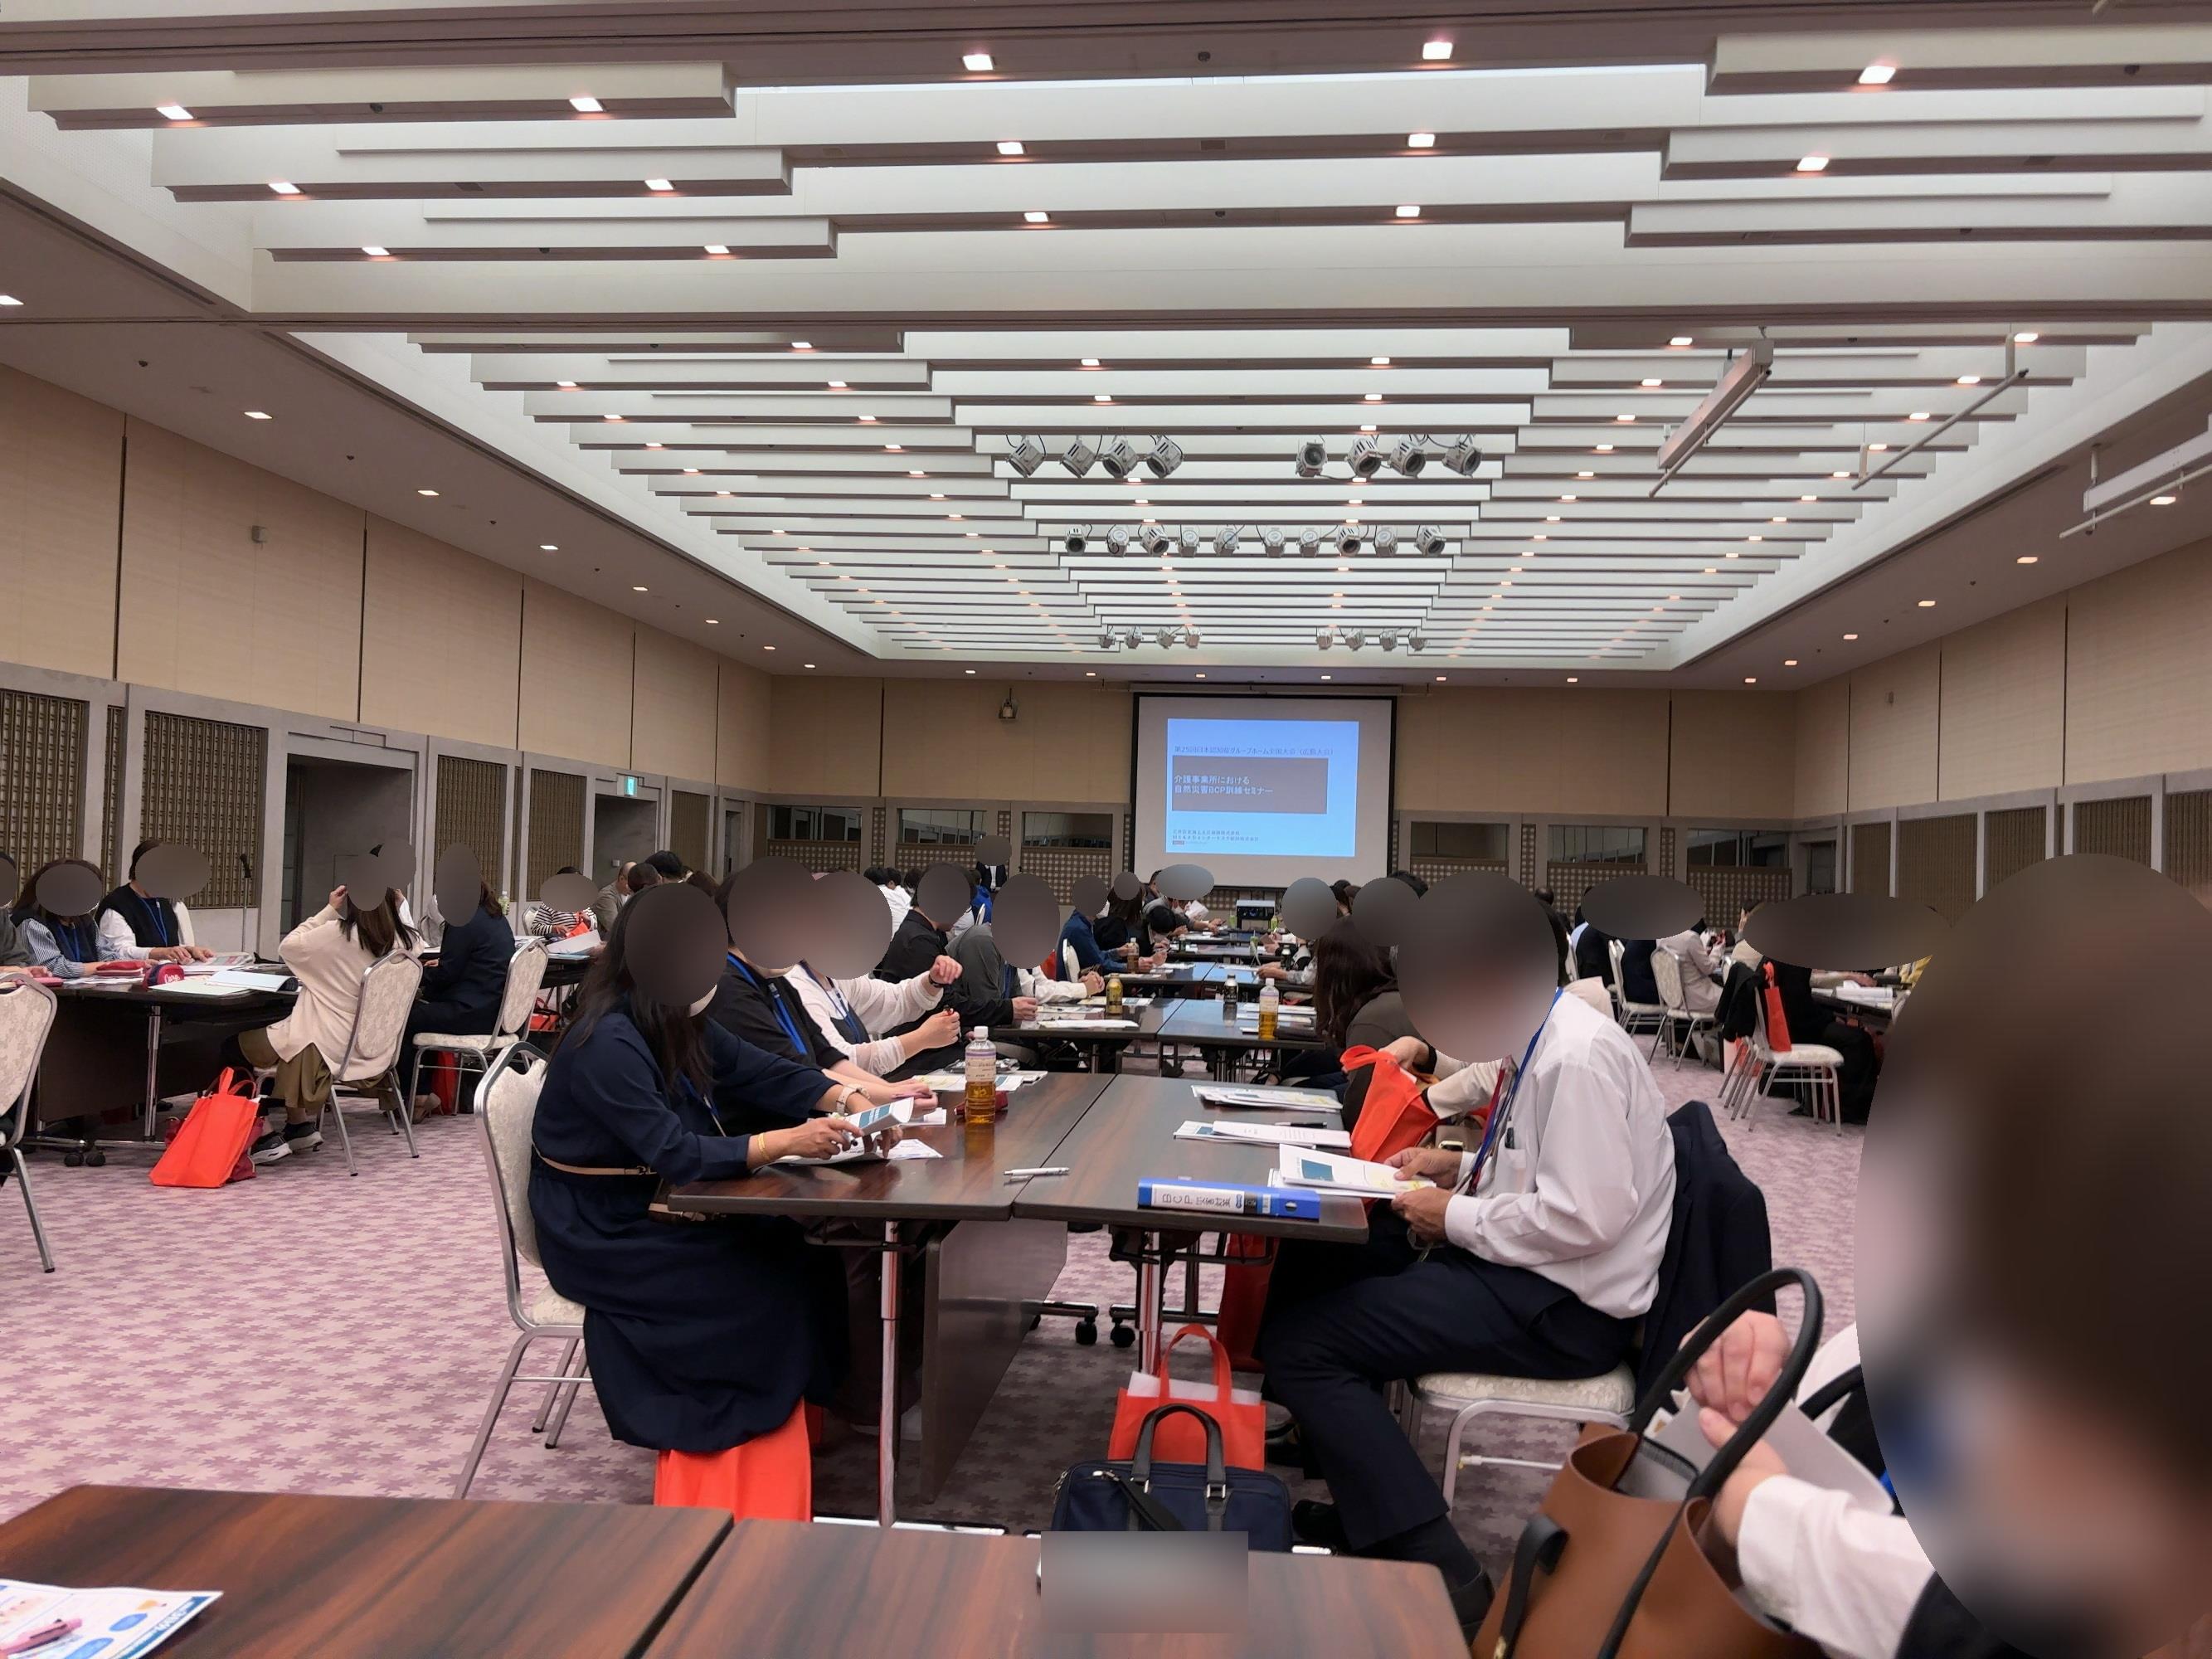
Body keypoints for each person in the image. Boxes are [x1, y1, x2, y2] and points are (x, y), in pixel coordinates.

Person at [1258, 988, 1677, 1637]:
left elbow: (1585, 1218)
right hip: (1527, 1272)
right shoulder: (1535, 1035)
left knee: (1302, 1345)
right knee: (1324, 1255)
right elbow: (1536, 1171)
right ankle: (1366, 1500)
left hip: (1559, 1308)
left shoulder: (1574, 1057)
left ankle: (1442, 1570)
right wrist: (1452, 1168)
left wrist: (1452, 1215)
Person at [528, 895, 897, 1515]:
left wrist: (846, 1100)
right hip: (601, 1228)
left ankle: (792, 1423)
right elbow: (673, 1151)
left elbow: (761, 1071)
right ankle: (729, 1437)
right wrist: (785, 1141)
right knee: (756, 1283)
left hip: (653, 1200)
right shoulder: (606, 1041)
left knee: (802, 1254)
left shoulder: (671, 1015)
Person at [226, 882, 421, 1164]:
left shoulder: (337, 935)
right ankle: (298, 1126)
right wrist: (399, 907)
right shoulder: (407, 943)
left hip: (326, 1045)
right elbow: (413, 935)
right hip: (372, 1051)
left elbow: (289, 947)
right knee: (292, 1033)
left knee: (231, 1049)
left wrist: (329, 909)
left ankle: (263, 1136)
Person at [405, 883, 515, 1117]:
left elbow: (446, 976)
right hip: (496, 1014)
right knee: (427, 1013)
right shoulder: (494, 917)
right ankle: (423, 1094)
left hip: (471, 1013)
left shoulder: (461, 920)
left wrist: (417, 973)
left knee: (406, 1018)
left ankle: (416, 1096)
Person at [878, 880, 1036, 1031]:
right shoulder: (919, 941)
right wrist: (1009, 1010)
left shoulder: (922, 934)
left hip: (940, 1034)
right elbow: (946, 1005)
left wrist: (965, 1031)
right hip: (922, 1043)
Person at [785, 955, 963, 1078]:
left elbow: (895, 1000)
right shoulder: (797, 986)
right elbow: (840, 1063)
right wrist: (921, 1039)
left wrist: (932, 980)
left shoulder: (834, 977)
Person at [7, 860, 127, 980]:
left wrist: (126, 964)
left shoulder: (85, 921)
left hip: (89, 988)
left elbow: (107, 955)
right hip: (52, 990)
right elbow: (51, 967)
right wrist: (102, 967)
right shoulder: (31, 922)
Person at [96, 841, 212, 964]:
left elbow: (167, 946)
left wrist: (188, 951)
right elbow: (118, 953)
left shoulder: (163, 902)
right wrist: (160, 953)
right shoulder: (117, 905)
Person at [525, 866, 589, 938]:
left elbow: (595, 926)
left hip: (586, 941)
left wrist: (589, 921)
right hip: (562, 942)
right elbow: (536, 928)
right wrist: (554, 928)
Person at [590, 861, 635, 937]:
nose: (634, 887)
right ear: (621, 879)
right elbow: (615, 928)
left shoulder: (631, 893)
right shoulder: (606, 896)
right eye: (632, 883)